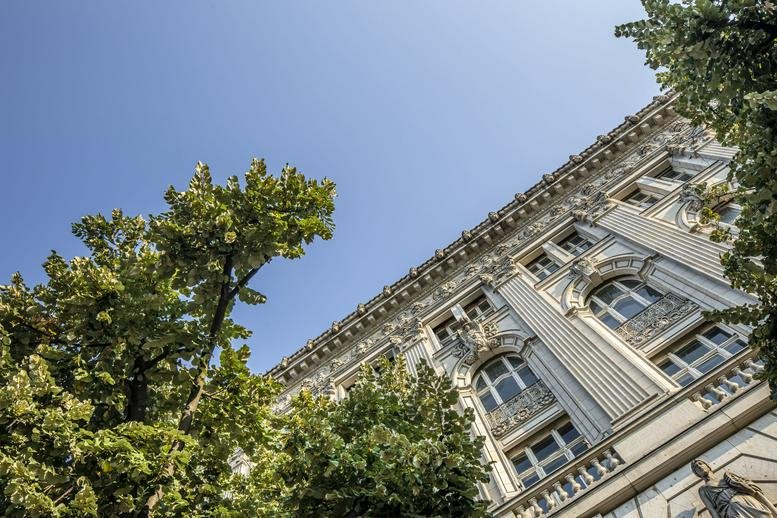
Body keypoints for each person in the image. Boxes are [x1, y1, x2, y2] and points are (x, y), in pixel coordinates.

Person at [691, 459, 777, 518]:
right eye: (696, 468)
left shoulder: (728, 478)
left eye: (700, 463)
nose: (699, 466)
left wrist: (740, 484)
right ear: (697, 474)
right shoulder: (703, 489)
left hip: (746, 500)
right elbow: (712, 509)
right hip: (731, 509)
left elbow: (752, 489)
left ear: (708, 466)